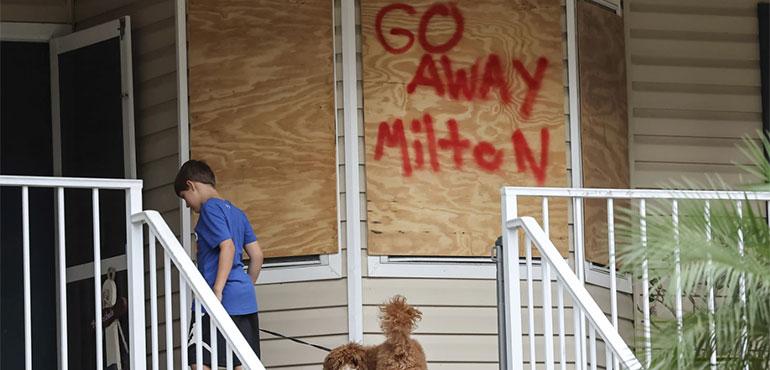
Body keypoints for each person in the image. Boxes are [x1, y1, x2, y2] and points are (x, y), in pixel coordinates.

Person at [174, 159, 264, 369]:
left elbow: (228, 246)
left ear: (191, 185)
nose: (187, 204)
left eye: (184, 197)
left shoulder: (210, 209)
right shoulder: (237, 213)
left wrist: (217, 291)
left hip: (217, 299)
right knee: (241, 361)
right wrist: (245, 287)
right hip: (244, 299)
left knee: (198, 359)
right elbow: (257, 255)